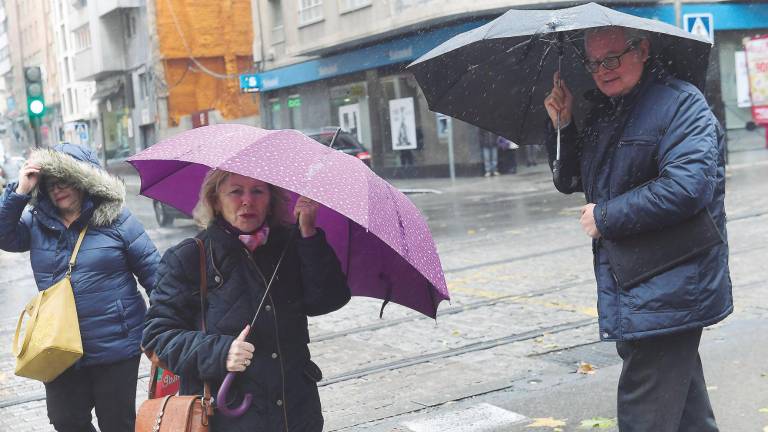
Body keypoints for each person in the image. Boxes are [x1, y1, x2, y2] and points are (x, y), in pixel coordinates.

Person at [543, 26, 731, 431]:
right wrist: (562, 124)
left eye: (612, 58)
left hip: (672, 283)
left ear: (642, 50)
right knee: (686, 417)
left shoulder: (680, 104)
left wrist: (605, 216)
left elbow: (687, 187)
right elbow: (569, 179)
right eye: (593, 63)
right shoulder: (607, 110)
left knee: (643, 416)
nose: (602, 71)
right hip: (636, 280)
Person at [142, 170, 351, 431]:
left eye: (257, 191)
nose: (247, 201)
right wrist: (221, 352)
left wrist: (308, 234)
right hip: (226, 417)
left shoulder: (290, 245)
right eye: (235, 191)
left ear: (271, 200)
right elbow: (157, 337)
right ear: (216, 200)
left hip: (296, 412)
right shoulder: (188, 258)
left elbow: (328, 300)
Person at [0, 143, 160, 432]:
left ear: (85, 180)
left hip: (115, 343)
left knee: (117, 423)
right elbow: (4, 235)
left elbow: (155, 275)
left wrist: (165, 329)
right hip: (58, 344)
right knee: (65, 420)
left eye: (67, 179)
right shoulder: (37, 224)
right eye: (51, 182)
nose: (58, 188)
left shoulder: (118, 219)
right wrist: (20, 189)